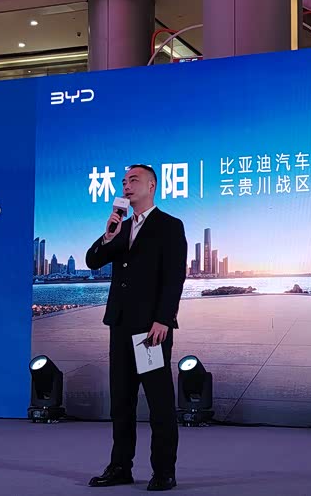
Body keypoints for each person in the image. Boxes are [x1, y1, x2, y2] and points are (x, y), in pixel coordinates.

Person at [85, 164, 187, 492]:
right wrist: (108, 235)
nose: (126, 186)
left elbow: (174, 277)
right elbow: (92, 260)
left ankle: (164, 471)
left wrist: (164, 318)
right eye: (124, 182)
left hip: (149, 332)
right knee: (121, 401)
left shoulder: (169, 226)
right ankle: (120, 467)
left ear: (152, 186)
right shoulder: (121, 227)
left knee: (158, 402)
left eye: (134, 180)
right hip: (120, 325)